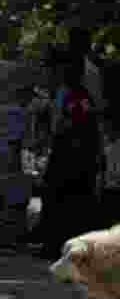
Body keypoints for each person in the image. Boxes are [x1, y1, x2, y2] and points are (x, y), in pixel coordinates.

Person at [39, 58, 102, 263]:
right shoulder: (81, 97)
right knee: (73, 205)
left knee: (65, 204)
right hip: (78, 160)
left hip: (70, 160)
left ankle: (60, 246)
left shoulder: (75, 98)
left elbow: (63, 127)